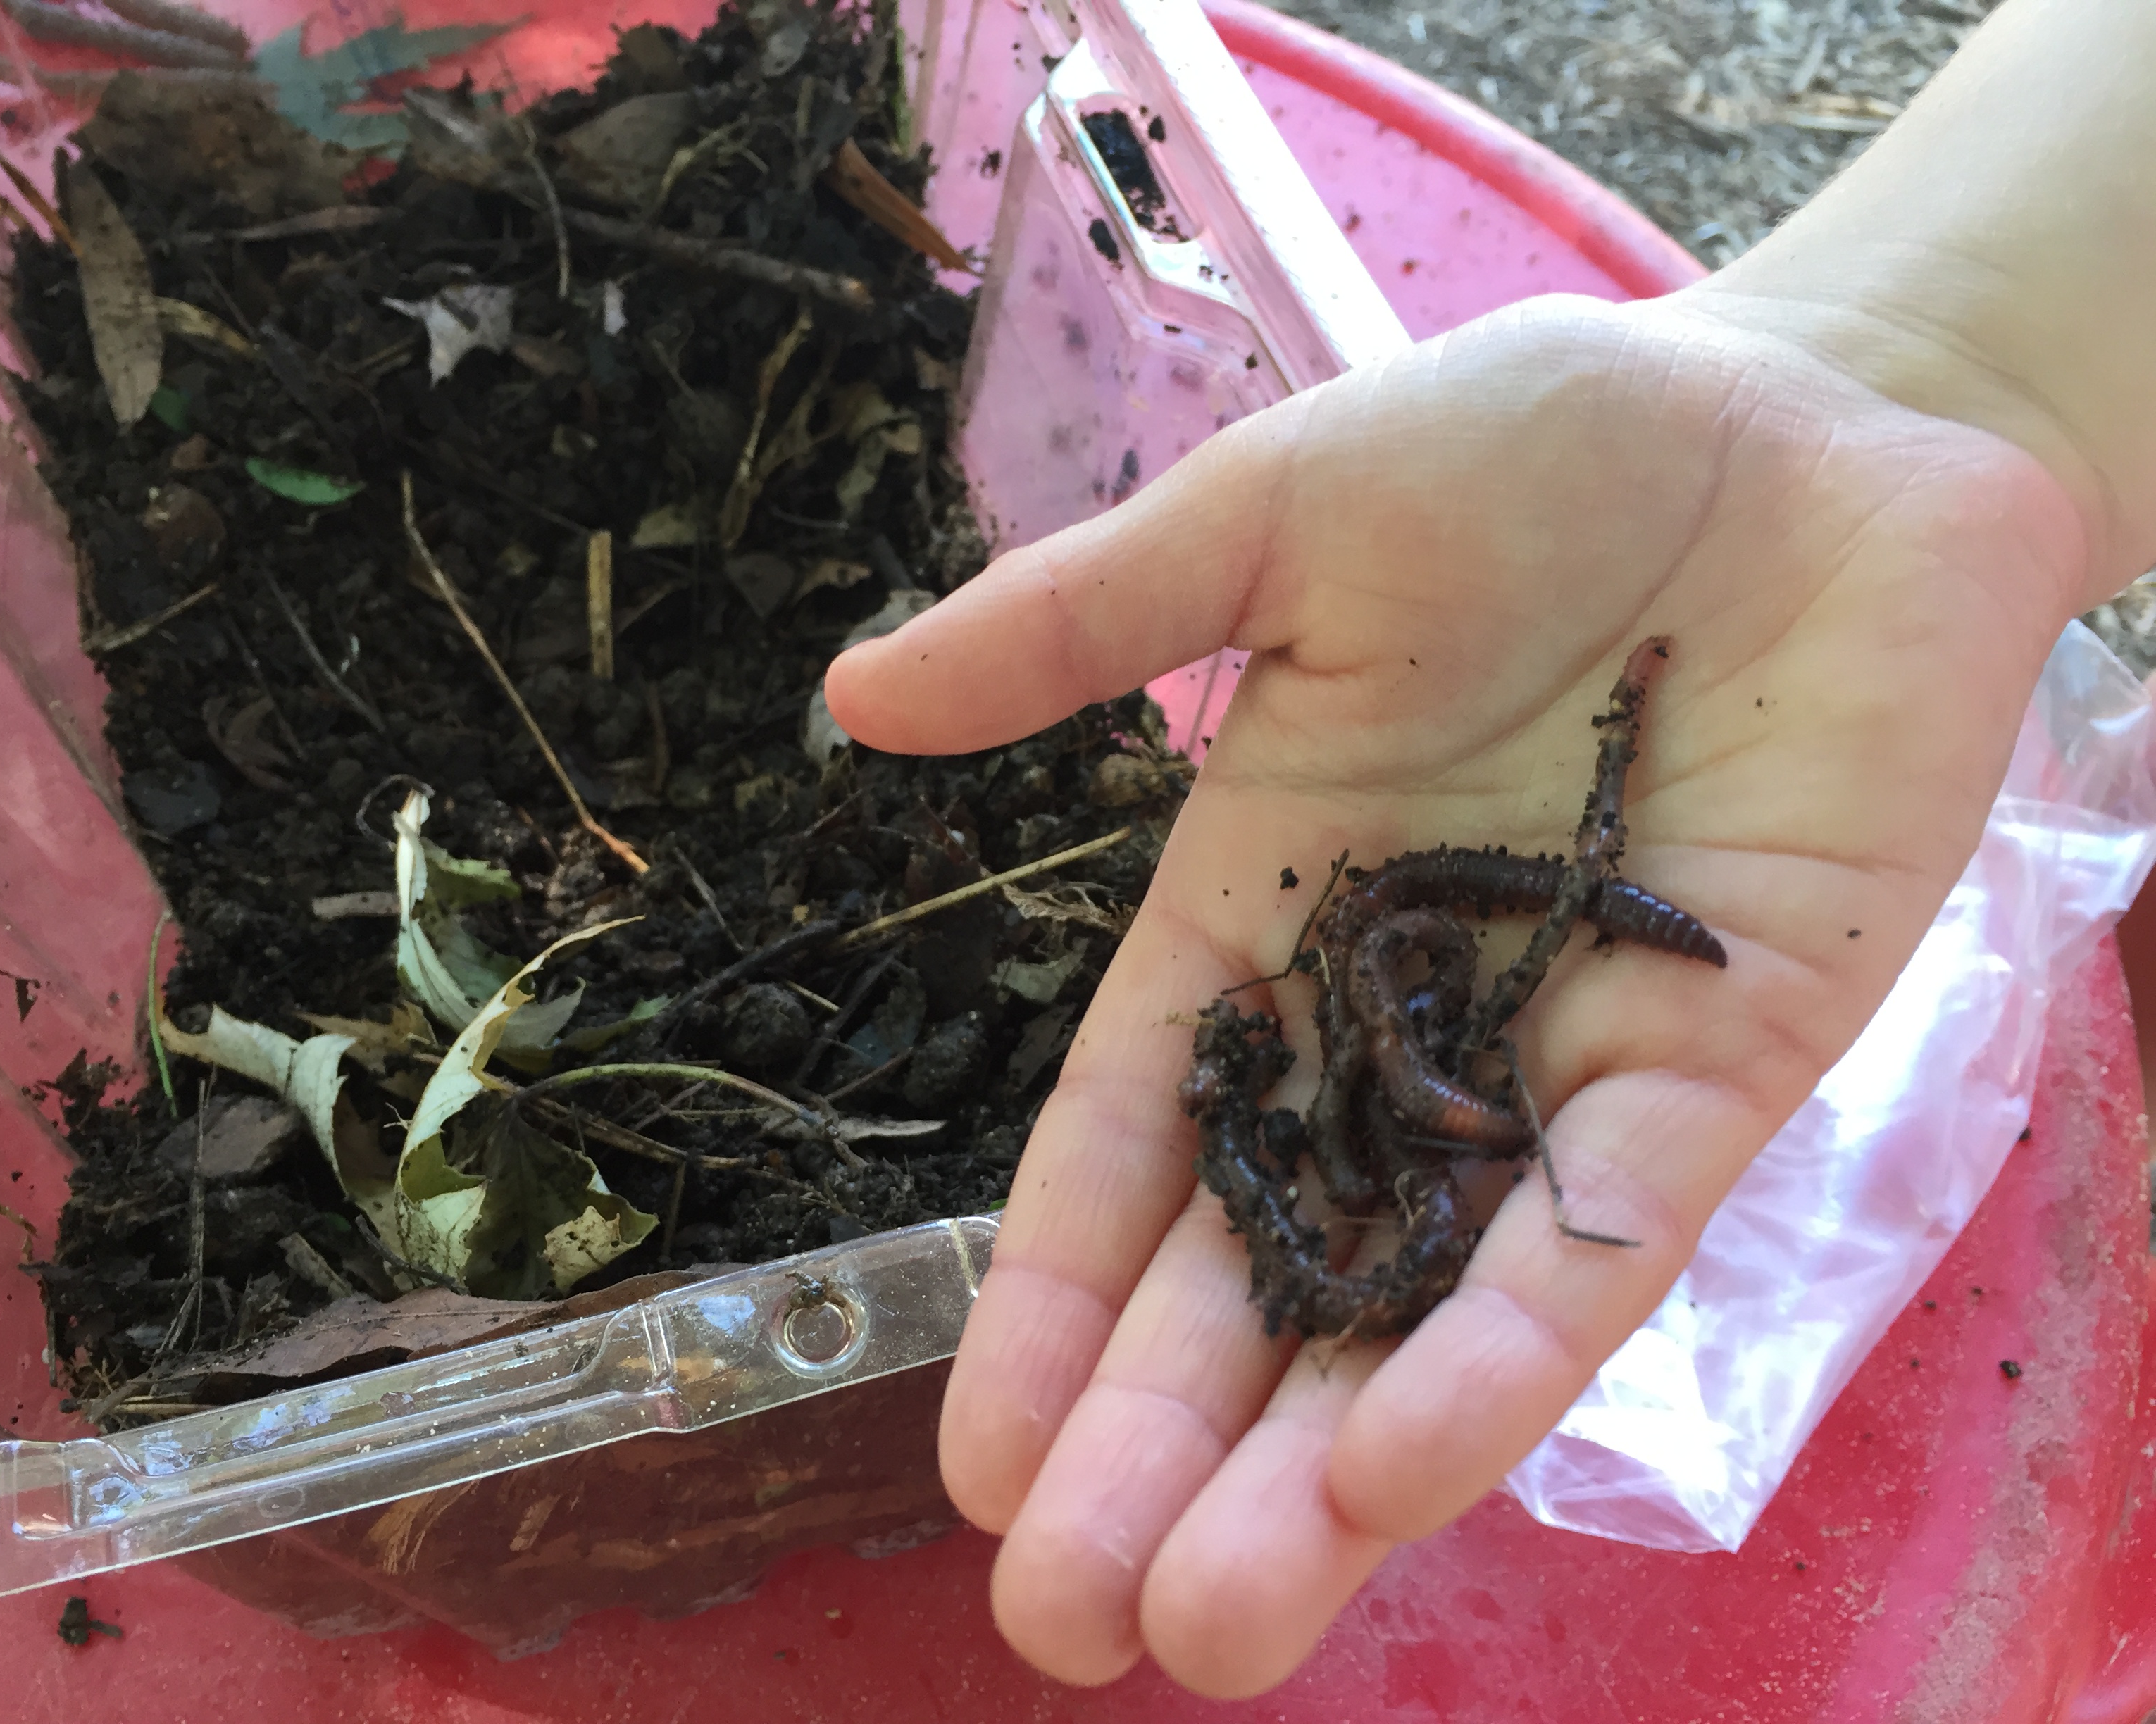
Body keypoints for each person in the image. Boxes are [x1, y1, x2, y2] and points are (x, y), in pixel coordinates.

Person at [823, 0, 2152, 1697]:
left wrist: (1931, 389)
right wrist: (1925, 371)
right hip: (1416, 1004)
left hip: (1417, 995)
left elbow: (1418, 1020)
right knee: (1472, 991)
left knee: (1471, 985)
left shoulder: (1387, 1004)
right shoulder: (1390, 1023)